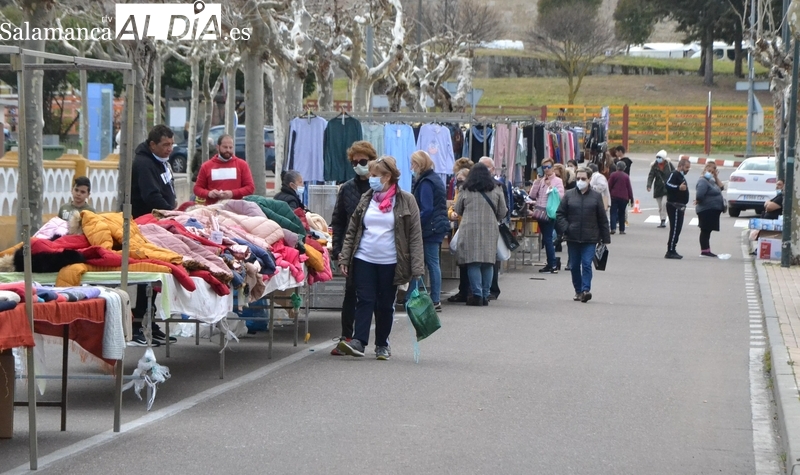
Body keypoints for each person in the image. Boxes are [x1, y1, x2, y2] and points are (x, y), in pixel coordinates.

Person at [337, 156, 424, 360]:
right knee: (365, 299)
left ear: (387, 177)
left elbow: (415, 235)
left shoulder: (406, 200)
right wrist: (345, 258)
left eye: (375, 175)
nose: (371, 178)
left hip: (391, 262)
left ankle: (382, 344)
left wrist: (417, 267)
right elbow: (352, 230)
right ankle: (359, 341)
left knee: (385, 304)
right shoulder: (366, 198)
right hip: (364, 257)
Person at [131, 125, 179, 346]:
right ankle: (138, 323)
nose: (169, 149)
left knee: (157, 275)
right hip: (146, 225)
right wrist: (171, 214)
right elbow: (151, 196)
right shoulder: (143, 164)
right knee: (147, 275)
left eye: (171, 144)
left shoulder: (162, 161)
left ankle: (149, 321)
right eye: (165, 145)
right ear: (152, 145)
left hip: (161, 224)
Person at [330, 141, 378, 356]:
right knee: (350, 293)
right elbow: (338, 221)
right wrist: (338, 249)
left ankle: (379, 342)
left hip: (376, 247)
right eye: (354, 162)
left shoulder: (379, 187)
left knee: (374, 296)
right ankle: (346, 337)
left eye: (363, 161)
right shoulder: (347, 188)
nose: (358, 165)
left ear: (372, 160)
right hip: (352, 248)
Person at [454, 163, 507, 306]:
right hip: (490, 228)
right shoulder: (496, 188)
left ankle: (476, 295)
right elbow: (503, 211)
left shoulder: (465, 189)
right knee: (488, 262)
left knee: (473, 261)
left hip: (469, 228)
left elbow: (458, 209)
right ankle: (485, 294)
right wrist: (493, 217)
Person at [556, 167, 611, 303]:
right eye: (578, 178)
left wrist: (605, 238)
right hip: (572, 237)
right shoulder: (569, 195)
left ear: (589, 179)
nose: (580, 181)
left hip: (590, 237)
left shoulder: (596, 196)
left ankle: (586, 290)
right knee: (574, 265)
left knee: (586, 264)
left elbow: (602, 218)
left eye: (583, 178)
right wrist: (566, 228)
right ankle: (578, 290)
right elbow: (560, 214)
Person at [408, 151, 450, 311]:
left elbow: (427, 209)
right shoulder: (434, 179)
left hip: (429, 228)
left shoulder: (426, 182)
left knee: (426, 263)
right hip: (436, 226)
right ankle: (431, 298)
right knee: (431, 263)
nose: (411, 167)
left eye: (413, 164)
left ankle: (432, 299)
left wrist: (414, 224)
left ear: (419, 164)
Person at [193, 134, 255, 206]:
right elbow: (197, 188)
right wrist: (209, 193)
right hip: (213, 208)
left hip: (236, 208)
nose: (228, 150)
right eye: (225, 147)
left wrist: (232, 193)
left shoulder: (242, 165)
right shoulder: (206, 166)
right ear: (218, 147)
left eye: (230, 147)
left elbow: (250, 188)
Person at [528, 158, 564, 273]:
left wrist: (550, 187)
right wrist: (537, 182)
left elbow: (560, 196)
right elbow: (532, 195)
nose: (546, 169)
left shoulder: (557, 181)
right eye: (544, 167)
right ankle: (551, 263)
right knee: (546, 238)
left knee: (548, 238)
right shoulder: (541, 180)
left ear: (553, 167)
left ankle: (552, 264)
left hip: (550, 212)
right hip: (540, 212)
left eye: (548, 167)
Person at [479, 156, 507, 299]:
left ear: (493, 169)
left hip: (492, 226)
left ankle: (492, 289)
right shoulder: (472, 184)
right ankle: (480, 290)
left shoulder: (499, 185)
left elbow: (504, 209)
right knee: (480, 259)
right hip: (480, 226)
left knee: (491, 259)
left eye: (486, 167)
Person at [447, 168, 472, 303]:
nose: (458, 182)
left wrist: (456, 211)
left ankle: (467, 291)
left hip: (467, 228)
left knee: (467, 262)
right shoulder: (458, 190)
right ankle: (464, 291)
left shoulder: (470, 191)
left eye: (461, 179)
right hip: (459, 227)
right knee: (462, 262)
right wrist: (451, 213)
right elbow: (453, 206)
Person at [695, 163, 725, 257]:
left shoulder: (711, 181)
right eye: (709, 171)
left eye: (713, 172)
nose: (711, 173)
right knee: (705, 230)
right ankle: (705, 251)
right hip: (706, 209)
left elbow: (722, 187)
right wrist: (699, 200)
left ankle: (707, 250)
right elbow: (699, 195)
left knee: (708, 230)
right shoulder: (703, 181)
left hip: (712, 210)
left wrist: (716, 177)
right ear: (705, 170)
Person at [665, 158, 691, 259]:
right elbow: (667, 184)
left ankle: (673, 248)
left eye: (689, 168)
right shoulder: (674, 174)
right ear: (680, 166)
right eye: (686, 167)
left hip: (680, 206)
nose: (688, 170)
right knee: (675, 228)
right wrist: (678, 188)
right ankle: (670, 250)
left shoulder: (681, 176)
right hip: (674, 205)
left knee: (678, 229)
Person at [647, 150, 674, 228]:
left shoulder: (669, 165)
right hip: (658, 188)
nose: (658, 159)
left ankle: (663, 220)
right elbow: (651, 176)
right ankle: (662, 219)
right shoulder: (654, 166)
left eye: (660, 157)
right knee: (660, 206)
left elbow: (674, 174)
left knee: (664, 203)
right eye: (657, 157)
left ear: (664, 158)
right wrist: (649, 185)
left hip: (667, 188)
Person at [607, 161, 634, 235]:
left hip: (614, 196)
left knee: (613, 212)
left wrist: (608, 195)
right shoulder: (626, 176)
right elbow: (629, 188)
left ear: (617, 167)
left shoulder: (613, 175)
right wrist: (631, 199)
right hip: (624, 197)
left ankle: (613, 228)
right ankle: (622, 230)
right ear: (624, 168)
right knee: (622, 213)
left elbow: (609, 185)